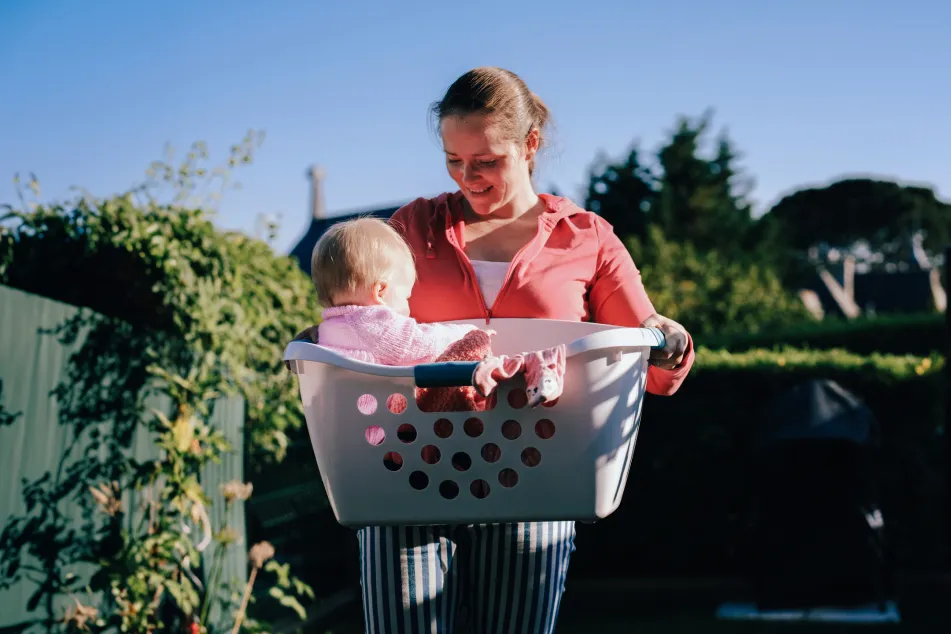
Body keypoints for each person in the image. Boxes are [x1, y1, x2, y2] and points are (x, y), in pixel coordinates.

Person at [300, 67, 694, 634]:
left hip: (536, 474)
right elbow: (359, 310)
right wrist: (328, 336)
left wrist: (667, 339)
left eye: (486, 161)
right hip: (411, 472)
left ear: (530, 145)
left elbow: (646, 355)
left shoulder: (586, 237)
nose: (469, 178)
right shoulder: (413, 227)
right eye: (454, 161)